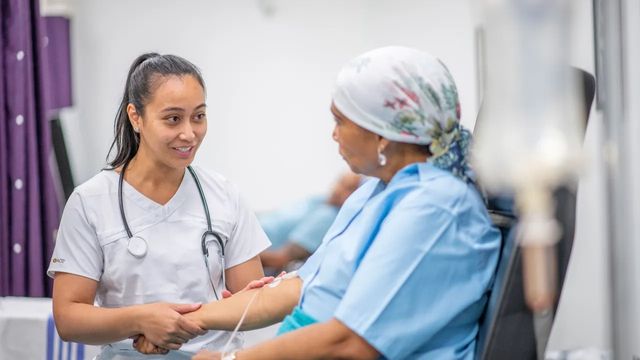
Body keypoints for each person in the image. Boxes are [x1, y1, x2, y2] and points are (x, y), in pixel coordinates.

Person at [136, 46, 501, 359]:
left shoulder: (436, 208)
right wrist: (189, 320)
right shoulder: (375, 193)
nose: (334, 134)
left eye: (340, 120)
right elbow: (301, 288)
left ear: (382, 133)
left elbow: (351, 343)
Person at [47, 53, 273, 359]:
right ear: (136, 117)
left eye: (199, 116)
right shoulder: (90, 202)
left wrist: (186, 322)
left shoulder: (224, 195)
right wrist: (141, 321)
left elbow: (253, 303)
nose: (189, 133)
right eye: (173, 118)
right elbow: (69, 318)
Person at [259, 172, 361, 273]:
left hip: (254, 250)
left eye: (350, 189)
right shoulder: (318, 200)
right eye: (341, 182)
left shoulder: (328, 217)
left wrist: (248, 250)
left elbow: (279, 259)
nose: (340, 190)